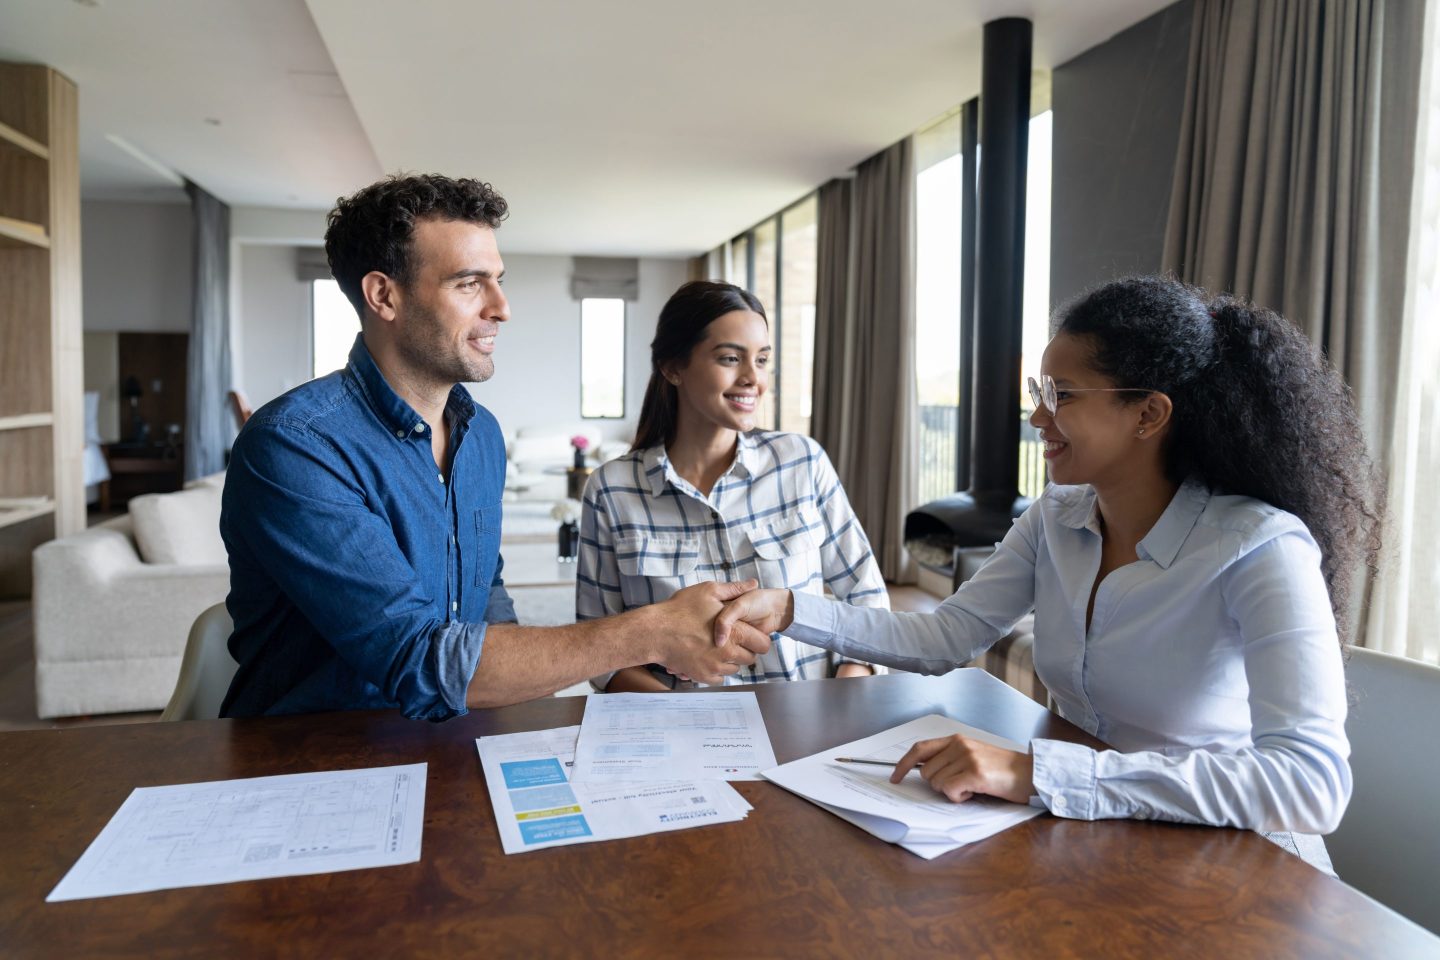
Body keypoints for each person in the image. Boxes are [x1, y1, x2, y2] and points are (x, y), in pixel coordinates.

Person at [713, 275, 1382, 870]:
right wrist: (789, 609)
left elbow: (1308, 785)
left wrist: (1040, 773)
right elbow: (944, 636)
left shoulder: (1261, 548)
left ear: (1148, 413)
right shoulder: (1056, 519)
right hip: (1107, 840)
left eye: (1061, 394)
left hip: (1242, 868)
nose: (1037, 417)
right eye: (1040, 391)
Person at [220, 175, 769, 720]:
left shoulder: (479, 433)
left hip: (453, 748)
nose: (502, 308)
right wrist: (649, 632)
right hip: (311, 765)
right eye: (468, 283)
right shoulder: (295, 445)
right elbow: (420, 659)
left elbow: (487, 600)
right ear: (383, 295)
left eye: (498, 280)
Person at [577, 280, 887, 692]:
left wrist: (843, 696)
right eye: (730, 358)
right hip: (681, 735)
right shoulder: (612, 491)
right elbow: (600, 653)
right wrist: (685, 719)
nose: (752, 378)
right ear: (673, 368)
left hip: (811, 719)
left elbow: (866, 595)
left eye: (761, 360)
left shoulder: (801, 461)